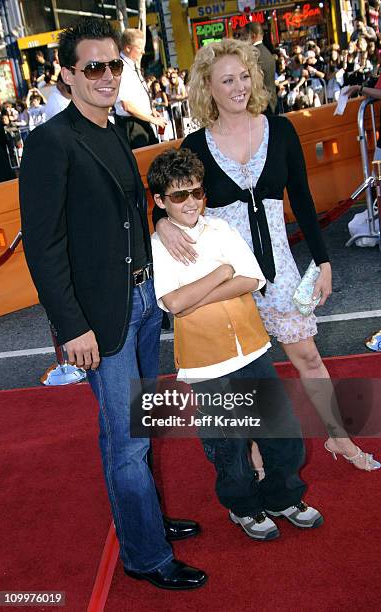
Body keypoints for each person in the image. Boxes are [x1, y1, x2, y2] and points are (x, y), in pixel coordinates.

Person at [19, 17, 206, 591]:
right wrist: (71, 327)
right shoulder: (50, 144)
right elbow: (45, 248)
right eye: (93, 67)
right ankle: (146, 555)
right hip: (102, 316)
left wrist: (158, 228)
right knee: (125, 438)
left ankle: (145, 518)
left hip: (144, 301)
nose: (106, 76)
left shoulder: (117, 131)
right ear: (67, 74)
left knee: (140, 425)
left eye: (113, 65)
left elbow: (124, 215)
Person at [152, 38, 380, 472]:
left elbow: (304, 199)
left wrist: (324, 262)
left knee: (308, 357)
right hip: (226, 277)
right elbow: (171, 199)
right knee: (244, 372)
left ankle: (340, 439)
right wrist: (160, 224)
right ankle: (255, 453)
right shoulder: (196, 145)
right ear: (207, 88)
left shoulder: (282, 130)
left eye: (243, 77)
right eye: (227, 80)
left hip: (280, 271)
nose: (238, 87)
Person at [148, 147, 324, 540]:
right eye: (178, 196)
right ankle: (243, 508)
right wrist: (222, 272)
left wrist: (202, 290)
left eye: (196, 192)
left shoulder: (222, 230)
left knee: (282, 433)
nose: (190, 202)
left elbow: (252, 279)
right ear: (160, 202)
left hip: (253, 347)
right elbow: (173, 303)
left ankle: (283, 498)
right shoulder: (159, 246)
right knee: (228, 447)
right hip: (206, 364)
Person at [114, 28, 166, 148]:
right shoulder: (121, 69)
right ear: (128, 48)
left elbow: (137, 95)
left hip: (142, 121)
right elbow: (126, 105)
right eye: (139, 48)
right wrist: (152, 119)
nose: (143, 51)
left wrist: (150, 111)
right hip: (132, 125)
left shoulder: (131, 66)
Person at [245, 22, 277, 114]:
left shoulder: (254, 55)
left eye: (243, 35)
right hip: (270, 101)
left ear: (253, 36)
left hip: (261, 104)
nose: (241, 39)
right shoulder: (266, 52)